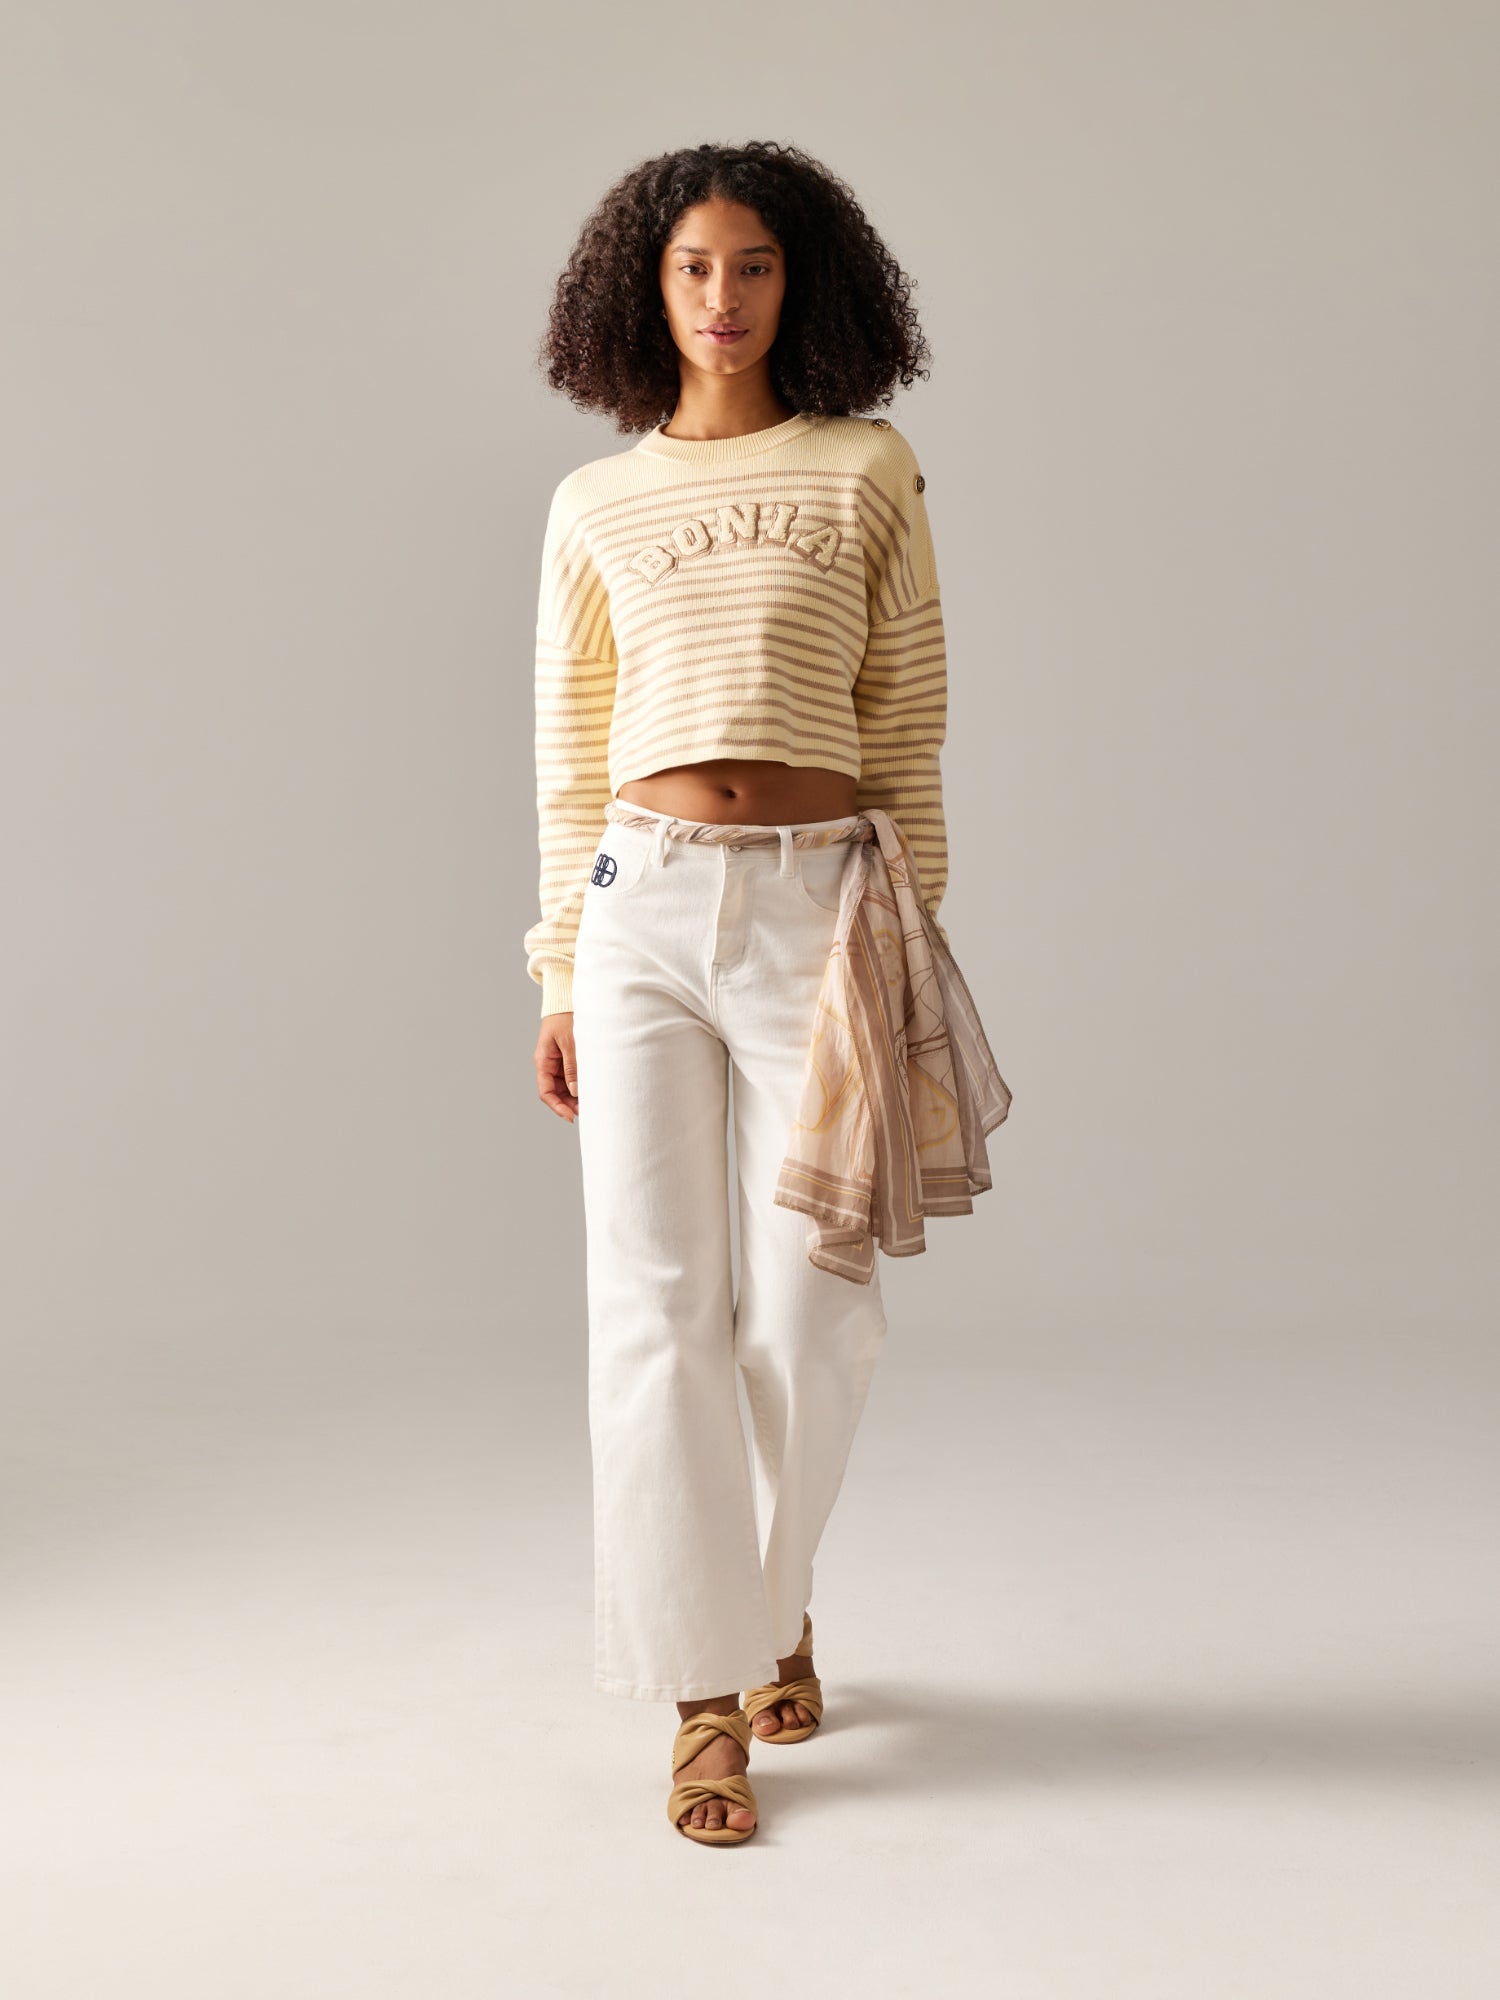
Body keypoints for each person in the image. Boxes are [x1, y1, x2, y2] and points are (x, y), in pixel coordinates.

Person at [524, 140, 1009, 1846]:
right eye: (692, 268)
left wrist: (907, 934)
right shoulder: (594, 505)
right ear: (641, 292)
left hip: (824, 908)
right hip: (640, 914)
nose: (722, 299)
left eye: (753, 266)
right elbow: (571, 756)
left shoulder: (867, 467)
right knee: (652, 1309)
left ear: (804, 285)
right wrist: (557, 966)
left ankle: (770, 1595)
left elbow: (909, 721)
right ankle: (705, 1699)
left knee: (811, 1309)